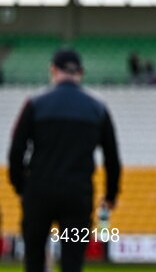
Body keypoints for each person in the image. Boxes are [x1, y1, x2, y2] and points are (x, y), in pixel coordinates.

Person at [7, 48, 121, 272]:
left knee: (35, 259)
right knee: (72, 261)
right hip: (77, 196)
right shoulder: (97, 109)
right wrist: (110, 195)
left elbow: (16, 151)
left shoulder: (35, 104)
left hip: (39, 194)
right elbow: (112, 157)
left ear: (53, 70)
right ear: (81, 72)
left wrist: (22, 186)